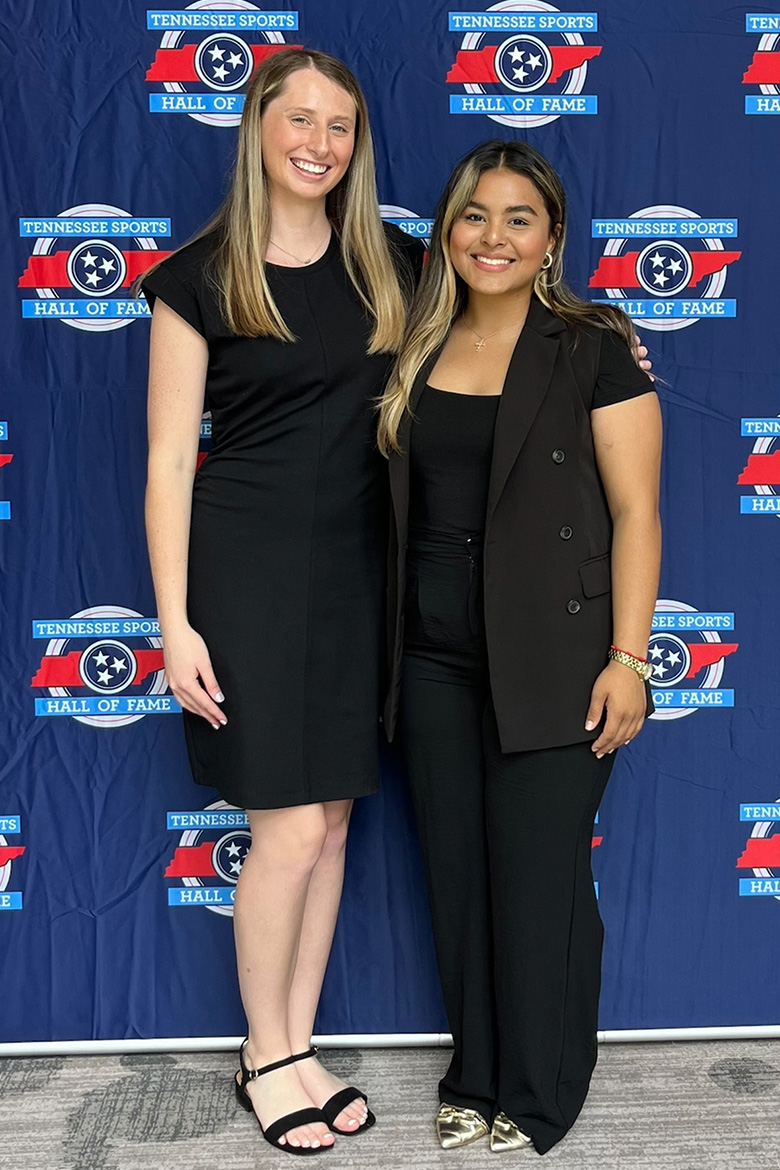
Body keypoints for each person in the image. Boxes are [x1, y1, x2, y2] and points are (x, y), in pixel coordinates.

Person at [141, 49, 423, 1156]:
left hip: (362, 570)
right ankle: (264, 1053)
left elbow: (505, 315)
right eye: (300, 120)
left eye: (341, 127)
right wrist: (173, 623)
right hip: (248, 572)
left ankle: (299, 1042)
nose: (319, 143)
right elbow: (169, 463)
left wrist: (604, 342)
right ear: (258, 129)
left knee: (337, 816)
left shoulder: (391, 263)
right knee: (289, 826)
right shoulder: (199, 276)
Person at [379, 139, 662, 1155]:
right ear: (445, 230)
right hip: (429, 655)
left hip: (557, 650)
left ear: (551, 238)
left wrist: (629, 659)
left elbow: (637, 513)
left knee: (538, 878)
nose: (491, 237)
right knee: (459, 876)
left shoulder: (591, 344)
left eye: (517, 219)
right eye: (473, 215)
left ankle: (539, 1092)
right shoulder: (412, 342)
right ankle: (477, 1074)